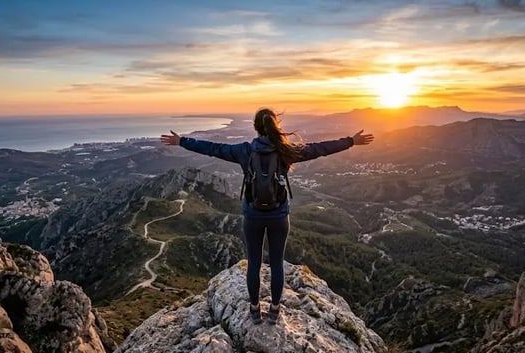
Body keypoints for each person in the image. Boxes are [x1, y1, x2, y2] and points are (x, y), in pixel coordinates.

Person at [160, 108, 374, 325]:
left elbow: (213, 149)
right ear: (275, 126)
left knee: (254, 262)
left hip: (253, 215)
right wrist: (351, 141)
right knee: (277, 262)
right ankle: (274, 310)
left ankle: (254, 309)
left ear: (255, 127)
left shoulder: (244, 151)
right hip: (279, 215)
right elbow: (320, 149)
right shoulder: (285, 151)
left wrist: (182, 141)